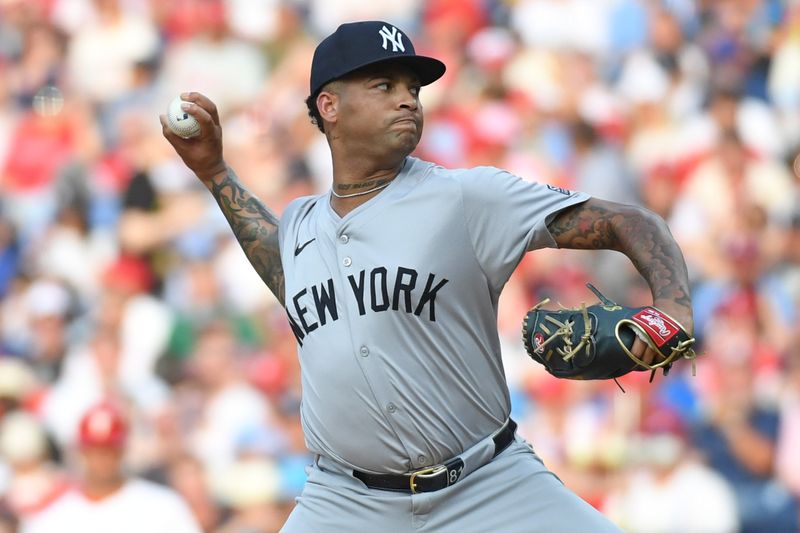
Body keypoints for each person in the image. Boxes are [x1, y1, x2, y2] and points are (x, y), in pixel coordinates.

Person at [162, 20, 694, 532]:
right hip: (344, 502)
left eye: (414, 88)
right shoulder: (301, 223)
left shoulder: (466, 196)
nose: (408, 99)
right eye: (384, 84)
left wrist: (673, 311)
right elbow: (283, 269)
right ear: (329, 106)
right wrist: (214, 173)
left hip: (489, 484)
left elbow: (631, 222)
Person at [21, 401, 202, 533]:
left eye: (109, 450)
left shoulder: (162, 506)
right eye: (95, 450)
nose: (102, 459)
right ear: (81, 452)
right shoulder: (55, 512)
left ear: (122, 451)